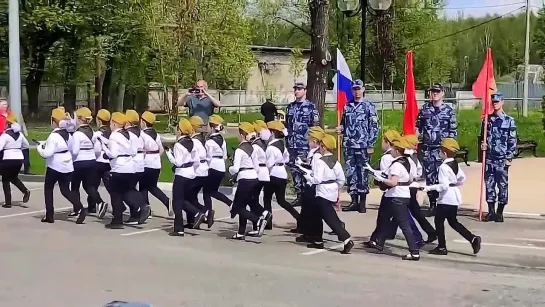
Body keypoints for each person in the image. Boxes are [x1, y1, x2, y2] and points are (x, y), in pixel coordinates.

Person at [420, 138, 482, 255]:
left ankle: (442, 247)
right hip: (454, 196)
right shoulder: (455, 164)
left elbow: (443, 186)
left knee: (439, 221)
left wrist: (429, 188)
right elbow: (462, 178)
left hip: (446, 198)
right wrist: (454, 184)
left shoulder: (443, 167)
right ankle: (473, 239)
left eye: (440, 151)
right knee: (453, 222)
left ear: (444, 153)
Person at [296, 134, 354, 254]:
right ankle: (317, 240)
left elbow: (316, 179)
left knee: (329, 218)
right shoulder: (335, 161)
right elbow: (341, 179)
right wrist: (335, 187)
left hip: (322, 191)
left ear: (323, 146)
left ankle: (346, 238)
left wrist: (307, 176)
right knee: (316, 215)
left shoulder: (320, 162)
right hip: (331, 190)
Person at [367, 136, 420, 261]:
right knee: (386, 219)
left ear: (397, 150)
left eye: (393, 148)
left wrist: (381, 179)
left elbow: (393, 182)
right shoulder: (409, 162)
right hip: (402, 195)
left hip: (397, 197)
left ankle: (414, 251)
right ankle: (379, 243)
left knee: (404, 225)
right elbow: (412, 178)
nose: (391, 150)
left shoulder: (396, 164)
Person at [100, 112, 149, 229]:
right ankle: (142, 204)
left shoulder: (114, 136)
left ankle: (117, 221)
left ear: (115, 124)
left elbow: (113, 153)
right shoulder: (128, 134)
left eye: (112, 122)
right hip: (130, 167)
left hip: (119, 168)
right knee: (128, 190)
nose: (110, 124)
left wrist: (104, 148)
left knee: (116, 194)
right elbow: (132, 151)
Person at [337, 79, 379, 213]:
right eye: (354, 89)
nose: (357, 92)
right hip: (349, 145)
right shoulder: (347, 106)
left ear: (363, 89)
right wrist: (341, 129)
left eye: (359, 89)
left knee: (363, 173)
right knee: (350, 172)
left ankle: (362, 202)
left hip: (363, 145)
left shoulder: (369, 106)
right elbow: (344, 124)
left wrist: (370, 144)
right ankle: (353, 200)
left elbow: (374, 127)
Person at [416, 83, 457, 217]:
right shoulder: (424, 110)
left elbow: (453, 132)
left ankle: (443, 205)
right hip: (428, 149)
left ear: (442, 93)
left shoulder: (449, 111)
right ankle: (432, 204)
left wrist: (450, 152)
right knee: (430, 178)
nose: (435, 94)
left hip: (442, 151)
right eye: (433, 91)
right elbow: (418, 128)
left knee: (443, 178)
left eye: (437, 92)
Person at [37, 108, 83, 224]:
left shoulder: (53, 136)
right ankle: (80, 207)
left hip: (54, 166)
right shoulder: (68, 134)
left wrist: (40, 148)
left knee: (48, 189)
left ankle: (49, 215)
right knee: (65, 190)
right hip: (67, 165)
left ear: (53, 120)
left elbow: (47, 153)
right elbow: (74, 150)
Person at [228, 122, 271, 240]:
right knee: (243, 205)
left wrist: (230, 169)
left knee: (237, 207)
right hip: (254, 178)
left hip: (244, 179)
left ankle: (257, 220)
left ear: (242, 135)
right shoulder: (251, 148)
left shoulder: (239, 150)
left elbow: (235, 168)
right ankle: (241, 231)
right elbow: (256, 166)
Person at [165, 118, 207, 236]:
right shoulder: (193, 142)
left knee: (177, 201)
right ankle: (196, 213)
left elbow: (177, 162)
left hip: (181, 174)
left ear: (180, 130)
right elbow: (197, 161)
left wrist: (169, 154)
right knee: (183, 199)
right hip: (191, 174)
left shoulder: (178, 145)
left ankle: (179, 228)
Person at [480, 92, 517, 223]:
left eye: (497, 102)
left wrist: (509, 157)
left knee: (502, 186)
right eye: (493, 102)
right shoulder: (487, 120)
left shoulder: (509, 121)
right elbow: (482, 138)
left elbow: (512, 141)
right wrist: (483, 146)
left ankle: (500, 212)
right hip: (490, 158)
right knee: (489, 185)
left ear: (502, 102)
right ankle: (490, 212)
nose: (495, 104)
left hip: (502, 159)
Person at [285, 82, 319, 206]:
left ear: (305, 90)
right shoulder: (290, 107)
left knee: (305, 170)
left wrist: (313, 144)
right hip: (291, 144)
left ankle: (308, 195)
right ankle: (299, 195)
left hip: (304, 144)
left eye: (299, 89)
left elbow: (314, 126)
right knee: (294, 170)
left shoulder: (311, 107)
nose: (297, 91)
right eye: (295, 89)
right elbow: (287, 124)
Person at [264, 120, 300, 229]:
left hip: (273, 174)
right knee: (281, 200)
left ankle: (268, 222)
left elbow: (269, 164)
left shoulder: (270, 148)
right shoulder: (281, 145)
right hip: (282, 174)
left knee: (267, 198)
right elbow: (287, 158)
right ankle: (298, 217)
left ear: (272, 133)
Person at [69, 107, 104, 217]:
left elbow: (74, 151)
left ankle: (77, 209)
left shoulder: (77, 134)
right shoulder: (93, 132)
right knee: (89, 186)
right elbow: (97, 149)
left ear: (79, 119)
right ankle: (100, 202)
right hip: (92, 161)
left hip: (79, 162)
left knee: (74, 187)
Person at [294, 126, 326, 241]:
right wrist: (302, 164)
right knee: (307, 209)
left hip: (313, 184)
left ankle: (314, 235)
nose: (307, 141)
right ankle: (307, 232)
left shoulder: (317, 155)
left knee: (313, 211)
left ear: (314, 141)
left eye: (309, 139)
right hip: (309, 183)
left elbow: (314, 171)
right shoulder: (313, 153)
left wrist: (301, 167)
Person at [139, 111, 171, 216]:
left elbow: (141, 150)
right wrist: (155, 157)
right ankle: (148, 207)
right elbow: (161, 150)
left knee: (145, 187)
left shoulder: (142, 134)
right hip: (156, 164)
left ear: (143, 122)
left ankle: (148, 207)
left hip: (146, 164)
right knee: (150, 186)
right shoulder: (156, 134)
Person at [185, 115, 214, 229]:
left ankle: (204, 212)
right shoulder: (203, 139)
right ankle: (193, 220)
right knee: (192, 197)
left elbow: (192, 157)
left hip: (197, 171)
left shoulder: (194, 141)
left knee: (186, 197)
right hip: (204, 170)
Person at [0, 113, 31, 208]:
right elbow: (26, 145)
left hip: (8, 159)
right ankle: (25, 190)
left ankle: (8, 202)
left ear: (8, 124)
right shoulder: (20, 135)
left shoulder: (5, 136)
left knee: (5, 179)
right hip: (19, 158)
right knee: (13, 177)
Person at [203, 115, 232, 210]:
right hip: (221, 167)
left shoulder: (209, 142)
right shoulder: (223, 140)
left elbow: (208, 157)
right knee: (213, 191)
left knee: (206, 192)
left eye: (208, 126)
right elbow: (225, 156)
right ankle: (230, 203)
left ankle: (208, 213)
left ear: (212, 127)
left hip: (213, 167)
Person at [125, 110, 149, 224]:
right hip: (141, 163)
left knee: (127, 189)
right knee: (131, 188)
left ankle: (139, 209)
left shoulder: (128, 134)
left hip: (132, 163)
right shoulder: (141, 133)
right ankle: (136, 212)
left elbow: (130, 150)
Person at [93, 109, 113, 218]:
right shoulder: (112, 133)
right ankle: (118, 204)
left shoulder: (97, 134)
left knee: (92, 185)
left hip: (99, 162)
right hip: (109, 162)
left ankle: (97, 203)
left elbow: (96, 150)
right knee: (109, 185)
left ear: (99, 121)